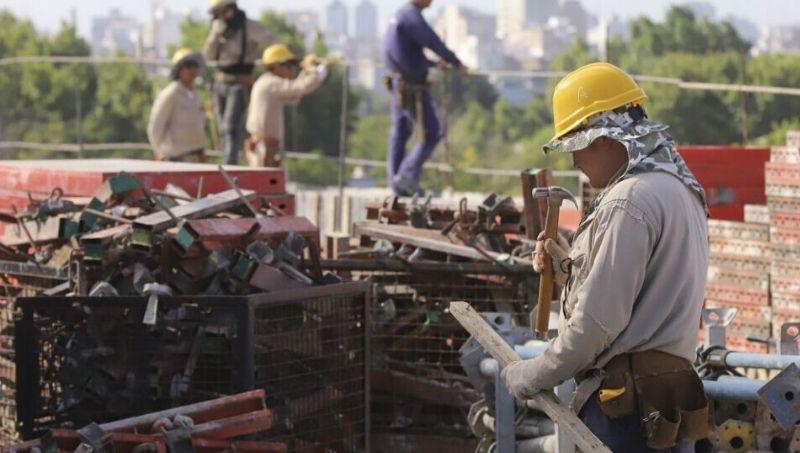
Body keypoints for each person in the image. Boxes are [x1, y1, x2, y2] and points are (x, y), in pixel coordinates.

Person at [501, 62, 711, 452]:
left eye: (576, 146)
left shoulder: (627, 202)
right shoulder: (679, 190)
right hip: (665, 405)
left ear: (602, 137)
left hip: (623, 414)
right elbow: (645, 295)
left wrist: (532, 374)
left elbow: (595, 326)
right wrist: (569, 269)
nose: (574, 162)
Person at [383, 0, 468, 196]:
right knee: (432, 132)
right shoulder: (411, 17)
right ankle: (405, 176)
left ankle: (397, 182)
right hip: (411, 86)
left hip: (399, 82)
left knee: (401, 132)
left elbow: (405, 52)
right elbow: (432, 41)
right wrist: (456, 63)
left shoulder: (400, 15)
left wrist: (429, 64)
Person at [203, 0, 274, 165]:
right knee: (222, 128)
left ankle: (230, 166)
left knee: (230, 126)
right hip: (220, 83)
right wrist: (215, 35)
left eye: (224, 12)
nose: (222, 17)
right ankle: (226, 161)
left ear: (232, 9)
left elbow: (273, 41)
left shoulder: (249, 27)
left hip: (239, 83)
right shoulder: (219, 29)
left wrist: (266, 60)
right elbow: (208, 55)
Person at [245, 45, 329, 167]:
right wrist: (321, 70)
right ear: (277, 66)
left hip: (263, 147)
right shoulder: (271, 83)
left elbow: (295, 94)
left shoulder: (265, 82)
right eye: (288, 66)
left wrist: (306, 71)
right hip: (266, 149)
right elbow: (301, 87)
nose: (291, 70)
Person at [147, 48, 206, 162]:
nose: (193, 70)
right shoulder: (170, 94)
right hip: (175, 159)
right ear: (179, 69)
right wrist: (159, 152)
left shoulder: (195, 95)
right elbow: (155, 128)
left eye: (195, 65)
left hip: (194, 159)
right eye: (188, 65)